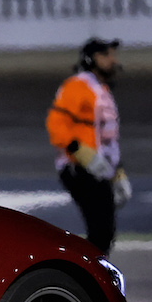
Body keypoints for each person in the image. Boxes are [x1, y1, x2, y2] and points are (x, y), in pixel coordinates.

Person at [46, 38, 131, 255]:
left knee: (103, 233)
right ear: (91, 59)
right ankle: (86, 277)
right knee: (101, 232)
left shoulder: (100, 89)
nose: (113, 60)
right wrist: (81, 153)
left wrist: (117, 172)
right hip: (80, 169)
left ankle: (89, 275)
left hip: (98, 169)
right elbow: (56, 124)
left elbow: (107, 138)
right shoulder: (78, 86)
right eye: (106, 55)